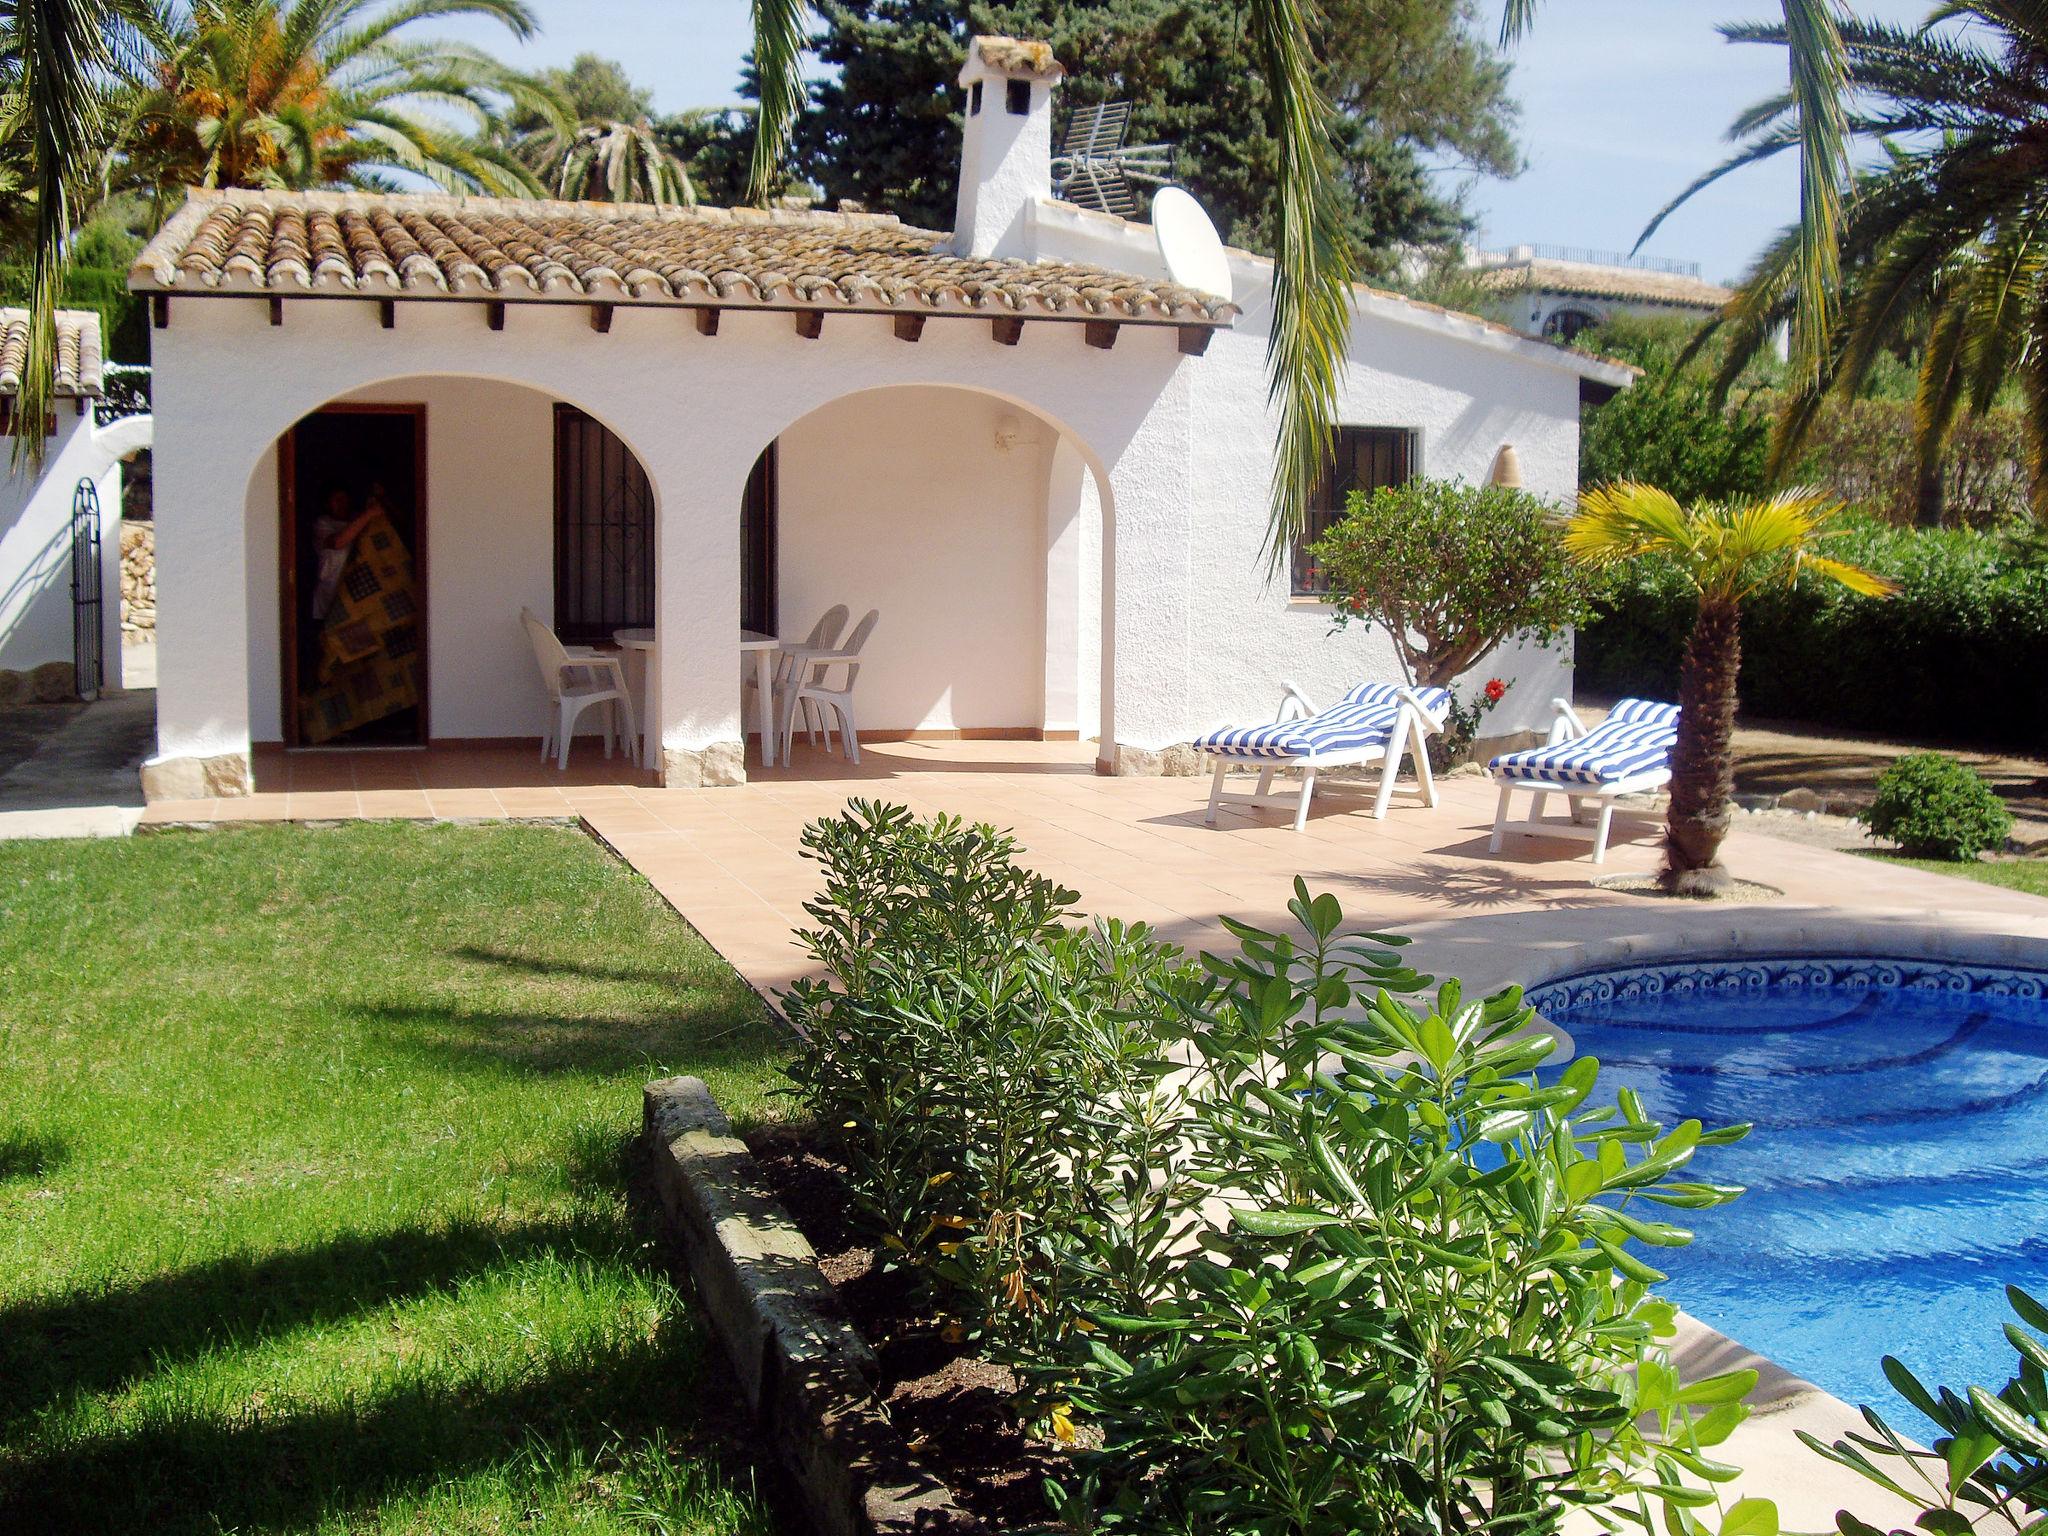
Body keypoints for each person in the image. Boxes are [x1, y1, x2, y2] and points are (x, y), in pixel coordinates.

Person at [310, 488, 382, 620]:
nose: (341, 503)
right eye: (336, 500)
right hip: (330, 593)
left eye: (344, 499)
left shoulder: (357, 518)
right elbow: (338, 542)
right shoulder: (322, 523)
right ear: (327, 504)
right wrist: (369, 513)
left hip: (355, 591)